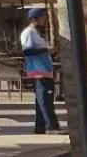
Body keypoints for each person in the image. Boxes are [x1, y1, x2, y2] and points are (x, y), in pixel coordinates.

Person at [19, 7, 60, 135]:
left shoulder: (35, 33)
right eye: (43, 17)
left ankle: (40, 126)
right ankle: (51, 126)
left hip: (43, 70)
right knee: (45, 99)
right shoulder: (29, 33)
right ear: (33, 19)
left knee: (42, 100)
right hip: (38, 70)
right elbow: (27, 51)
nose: (45, 20)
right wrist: (47, 50)